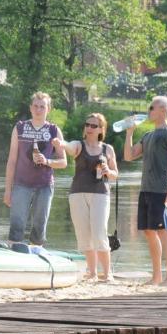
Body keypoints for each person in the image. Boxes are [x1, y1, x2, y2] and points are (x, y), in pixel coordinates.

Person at [123, 96, 167, 286]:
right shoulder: (148, 135)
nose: (149, 110)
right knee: (149, 232)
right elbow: (128, 156)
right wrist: (129, 133)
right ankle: (157, 277)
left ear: (164, 110)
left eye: (152, 107)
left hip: (161, 190)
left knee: (163, 231)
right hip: (146, 190)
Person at [56, 113, 118, 282]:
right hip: (77, 193)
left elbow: (115, 174)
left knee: (99, 233)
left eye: (94, 125)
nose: (89, 128)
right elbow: (69, 146)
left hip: (100, 194)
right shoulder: (79, 145)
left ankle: (107, 273)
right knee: (84, 234)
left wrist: (108, 171)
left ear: (101, 129)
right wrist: (60, 144)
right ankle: (92, 272)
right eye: (87, 124)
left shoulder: (108, 149)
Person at [3, 92, 65, 247]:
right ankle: (14, 256)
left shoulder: (54, 131)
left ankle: (37, 258)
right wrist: (7, 190)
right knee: (17, 226)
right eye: (36, 106)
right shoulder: (20, 128)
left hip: (44, 185)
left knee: (39, 228)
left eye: (42, 107)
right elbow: (11, 161)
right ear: (30, 108)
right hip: (21, 184)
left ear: (48, 109)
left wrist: (47, 161)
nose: (38, 110)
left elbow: (63, 162)